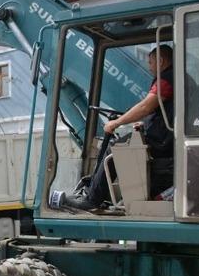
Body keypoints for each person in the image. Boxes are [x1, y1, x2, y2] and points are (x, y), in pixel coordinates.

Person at [61, 45, 175, 210]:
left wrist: (116, 123)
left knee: (115, 149)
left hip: (162, 142)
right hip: (166, 137)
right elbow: (167, 112)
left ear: (161, 60)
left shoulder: (166, 79)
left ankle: (92, 200)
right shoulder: (176, 78)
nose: (149, 67)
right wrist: (145, 123)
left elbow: (145, 107)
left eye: (150, 62)